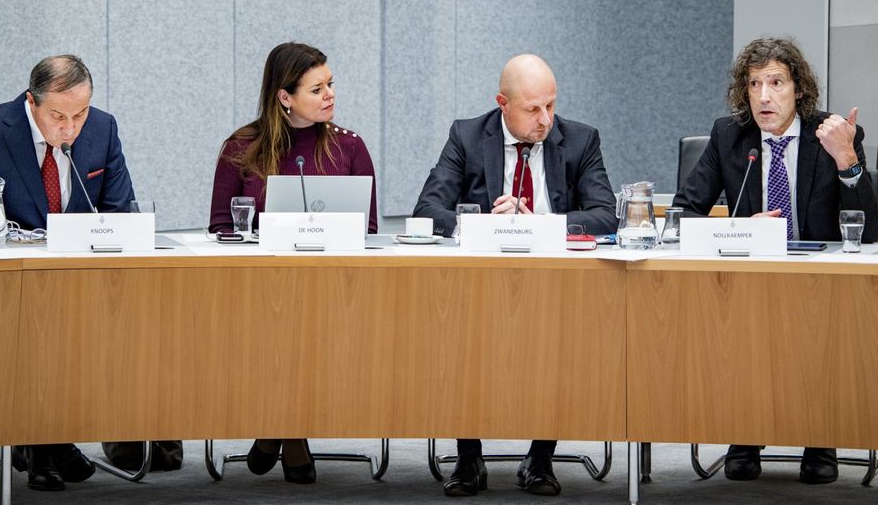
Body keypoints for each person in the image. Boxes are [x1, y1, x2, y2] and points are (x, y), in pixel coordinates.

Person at [0, 54, 181, 490]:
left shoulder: (103, 128)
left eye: (80, 113)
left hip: (81, 283)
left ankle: (46, 445)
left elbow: (118, 210)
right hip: (10, 288)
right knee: (42, 323)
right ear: (31, 101)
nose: (70, 128)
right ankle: (44, 446)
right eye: (57, 116)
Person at [673, 37, 878, 485]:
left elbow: (867, 231)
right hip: (752, 279)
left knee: (821, 319)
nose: (764, 96)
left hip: (821, 283)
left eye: (776, 82)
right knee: (741, 319)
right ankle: (745, 433)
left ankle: (820, 435)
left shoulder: (833, 134)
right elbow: (683, 214)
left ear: (799, 91)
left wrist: (846, 159)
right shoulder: (730, 136)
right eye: (754, 84)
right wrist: (742, 228)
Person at [413, 53, 617, 497]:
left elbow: (606, 216)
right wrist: (486, 222)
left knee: (560, 345)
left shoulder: (580, 140)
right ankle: (469, 459)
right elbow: (427, 211)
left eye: (551, 105)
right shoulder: (467, 135)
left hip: (555, 283)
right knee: (459, 340)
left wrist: (540, 224)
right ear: (502, 103)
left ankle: (540, 458)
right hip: (480, 285)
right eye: (532, 109)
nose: (545, 119)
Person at [208, 42, 378, 484]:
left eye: (331, 84)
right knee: (282, 323)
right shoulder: (242, 146)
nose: (330, 95)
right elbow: (220, 225)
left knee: (305, 323)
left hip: (332, 289)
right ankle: (293, 435)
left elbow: (369, 227)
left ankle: (274, 431)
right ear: (285, 97)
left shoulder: (350, 146)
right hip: (260, 289)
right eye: (317, 88)